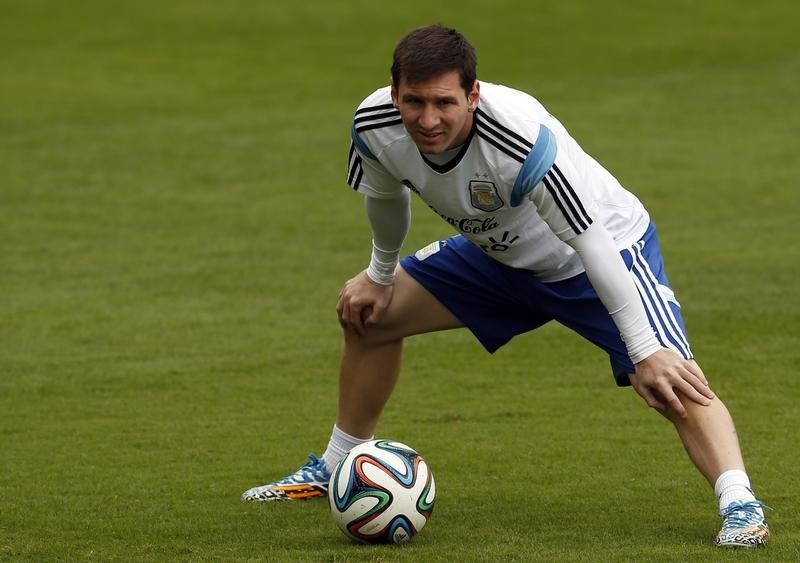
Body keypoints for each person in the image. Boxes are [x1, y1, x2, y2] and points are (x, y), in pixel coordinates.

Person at [242, 24, 769, 548]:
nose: (427, 120)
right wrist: (380, 275)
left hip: (594, 254)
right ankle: (334, 466)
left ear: (473, 94)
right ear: (394, 89)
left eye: (444, 103)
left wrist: (644, 349)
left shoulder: (518, 137)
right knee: (368, 316)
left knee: (667, 377)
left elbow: (589, 241)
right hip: (496, 256)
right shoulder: (376, 122)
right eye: (414, 101)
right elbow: (385, 197)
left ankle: (740, 503)